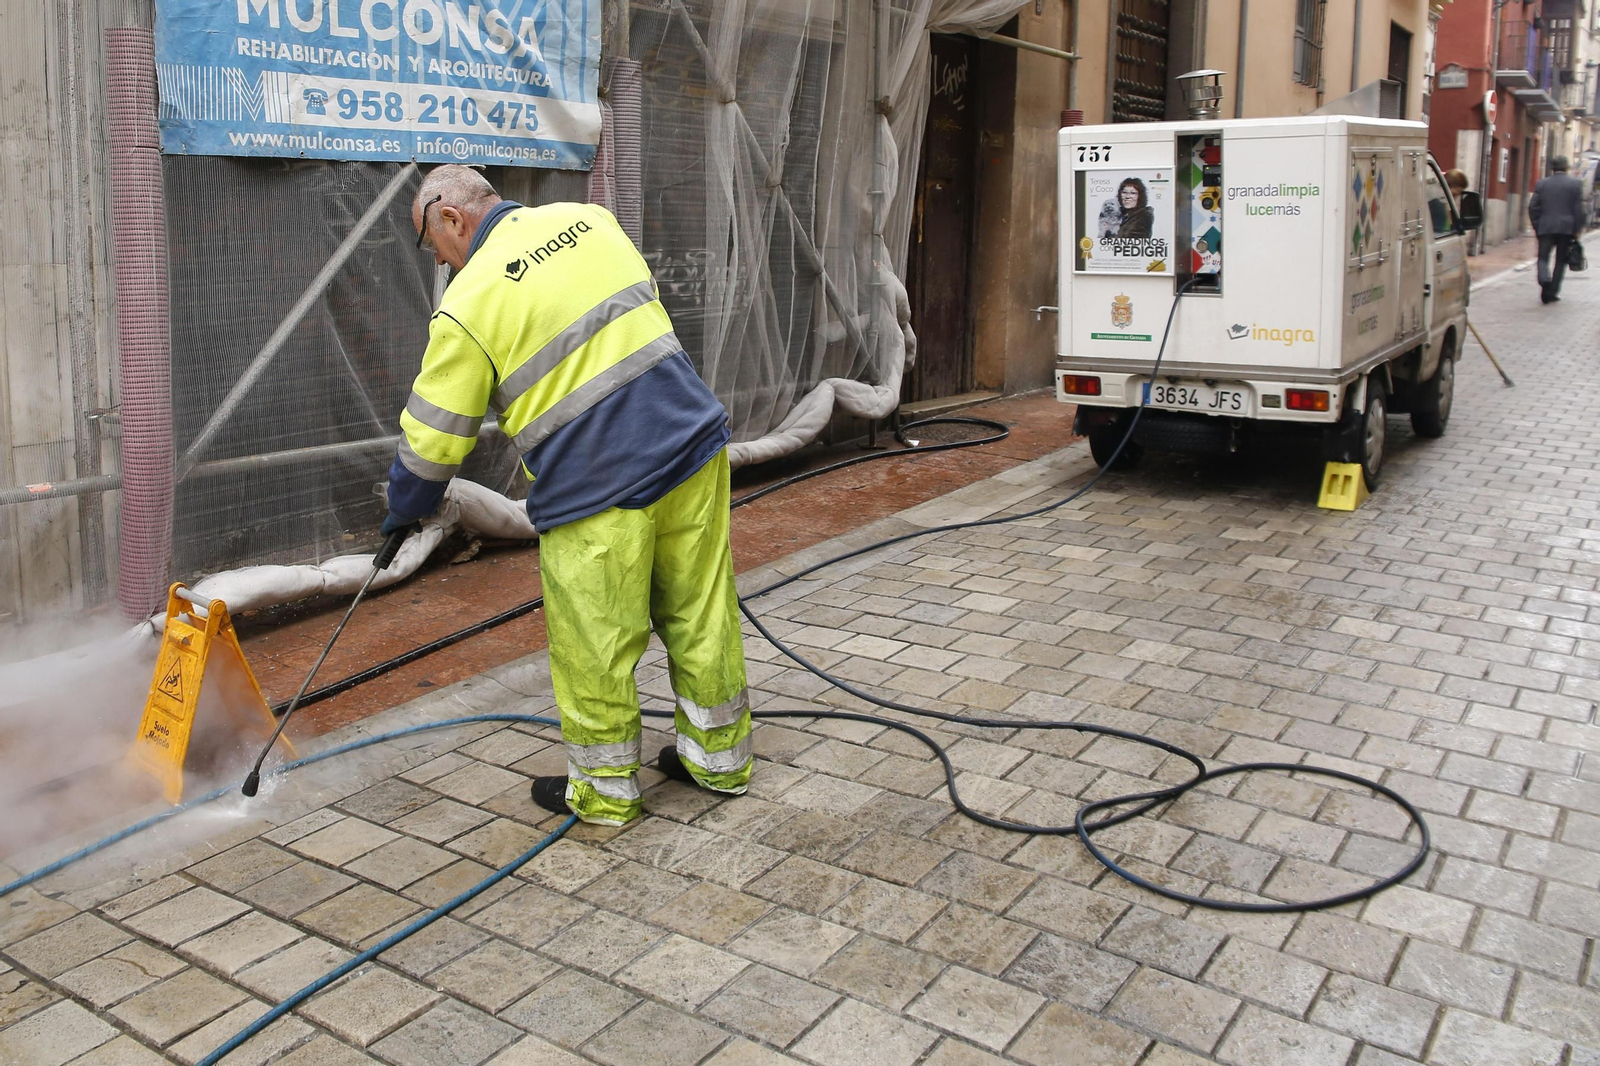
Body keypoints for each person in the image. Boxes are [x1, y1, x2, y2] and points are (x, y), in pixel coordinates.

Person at [385, 165, 751, 826]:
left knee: (597, 641)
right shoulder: (589, 222)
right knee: (701, 610)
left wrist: (404, 507)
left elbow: (435, 441)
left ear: (450, 217)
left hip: (598, 486)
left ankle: (607, 792)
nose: (438, 261)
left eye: (430, 245)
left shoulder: (469, 305)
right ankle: (719, 760)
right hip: (691, 446)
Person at [1528, 155, 1587, 304]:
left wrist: (1537, 225)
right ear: (1566, 167)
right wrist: (1578, 228)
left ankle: (1544, 280)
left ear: (1552, 168)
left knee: (1542, 258)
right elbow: (1578, 209)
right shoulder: (1575, 184)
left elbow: (1533, 206)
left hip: (1546, 227)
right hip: (1566, 229)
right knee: (1560, 261)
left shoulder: (1542, 184)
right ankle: (1552, 292)